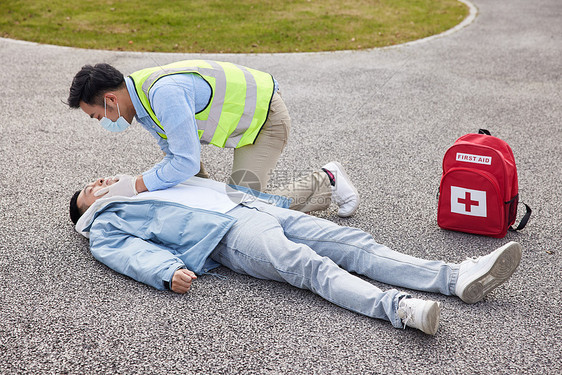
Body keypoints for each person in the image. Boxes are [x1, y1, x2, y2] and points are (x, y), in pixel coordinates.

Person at [69, 175, 522, 335]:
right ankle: (399, 310)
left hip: (252, 208)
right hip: (229, 236)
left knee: (356, 244)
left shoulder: (143, 181)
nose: (99, 183)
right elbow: (128, 254)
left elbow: (199, 180)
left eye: (97, 180)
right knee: (312, 268)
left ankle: (454, 277)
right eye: (90, 190)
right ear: (85, 211)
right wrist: (166, 270)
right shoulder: (104, 225)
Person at [66, 60, 359, 217]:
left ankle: (327, 181)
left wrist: (135, 186)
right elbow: (180, 160)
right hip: (247, 123)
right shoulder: (139, 101)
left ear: (109, 100)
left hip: (265, 120)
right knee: (214, 201)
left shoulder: (162, 94)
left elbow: (185, 161)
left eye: (96, 116)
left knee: (243, 207)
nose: (101, 122)